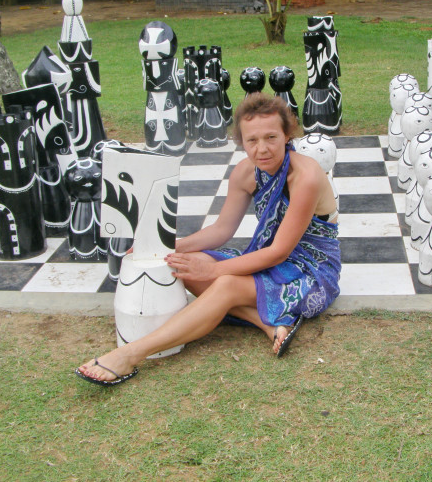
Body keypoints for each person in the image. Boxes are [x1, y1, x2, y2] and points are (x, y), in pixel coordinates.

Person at [76, 94, 341, 385]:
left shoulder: (305, 176)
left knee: (223, 283)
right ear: (242, 141)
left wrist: (214, 270)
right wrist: (167, 246)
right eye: (252, 140)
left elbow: (278, 252)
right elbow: (221, 230)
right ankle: (267, 322)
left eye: (271, 137)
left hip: (312, 272)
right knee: (182, 263)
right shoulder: (245, 173)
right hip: (269, 261)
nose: (262, 149)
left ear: (287, 135)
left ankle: (129, 354)